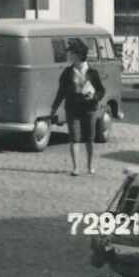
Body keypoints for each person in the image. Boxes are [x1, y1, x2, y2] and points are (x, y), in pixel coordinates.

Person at [50, 37, 106, 177]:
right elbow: (61, 92)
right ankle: (75, 168)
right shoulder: (67, 73)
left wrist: (94, 97)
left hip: (89, 109)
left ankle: (90, 166)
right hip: (72, 109)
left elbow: (101, 90)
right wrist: (54, 108)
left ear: (78, 55)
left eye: (71, 53)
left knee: (89, 139)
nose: (69, 55)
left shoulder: (92, 73)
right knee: (74, 138)